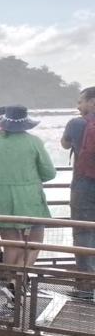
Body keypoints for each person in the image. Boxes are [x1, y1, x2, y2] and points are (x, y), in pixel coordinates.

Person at [0, 106, 56, 298]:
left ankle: (9, 282)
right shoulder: (34, 142)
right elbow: (49, 173)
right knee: (36, 240)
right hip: (30, 196)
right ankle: (19, 278)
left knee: (10, 242)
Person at [62, 86, 95, 299]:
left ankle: (86, 287)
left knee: (83, 231)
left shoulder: (77, 122)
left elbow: (64, 145)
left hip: (84, 184)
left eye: (81, 101)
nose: (78, 105)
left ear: (92, 102)